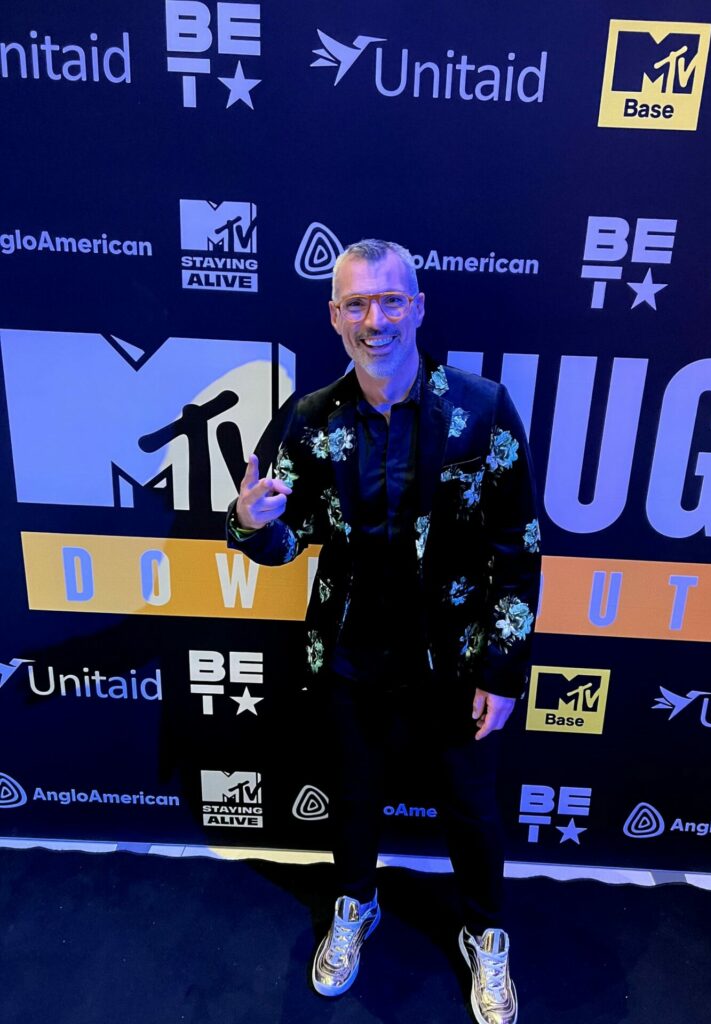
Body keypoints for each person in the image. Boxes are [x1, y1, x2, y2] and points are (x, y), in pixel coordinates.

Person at [227, 239, 541, 1024]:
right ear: (335, 317)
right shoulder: (307, 417)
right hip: (350, 656)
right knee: (354, 800)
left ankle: (486, 933)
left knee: (472, 813)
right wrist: (248, 523)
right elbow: (285, 540)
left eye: (391, 300)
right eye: (357, 303)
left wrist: (503, 671)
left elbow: (519, 548)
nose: (376, 319)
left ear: (418, 307)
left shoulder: (482, 407)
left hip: (460, 661)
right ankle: (354, 905)